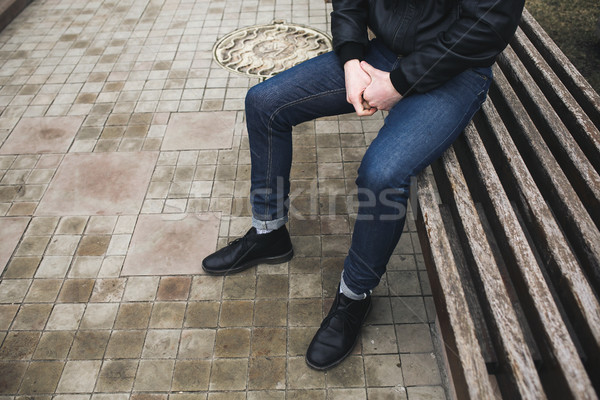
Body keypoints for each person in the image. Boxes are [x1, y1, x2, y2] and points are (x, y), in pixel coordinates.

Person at [202, 0, 525, 370]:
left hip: (456, 71)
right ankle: (269, 233)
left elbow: (487, 25)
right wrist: (351, 60)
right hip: (381, 55)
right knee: (264, 103)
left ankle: (353, 296)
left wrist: (400, 82)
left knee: (381, 174)